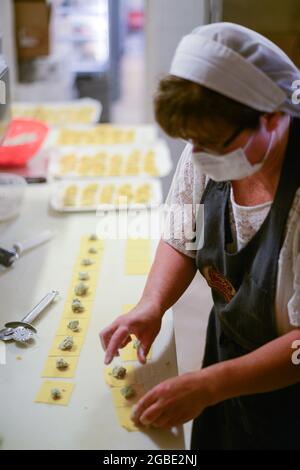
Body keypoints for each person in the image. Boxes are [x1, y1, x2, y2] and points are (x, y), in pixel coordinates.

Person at [100, 22, 300, 449]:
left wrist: (210, 385)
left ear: (270, 116)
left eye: (210, 142)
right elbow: (182, 234)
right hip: (226, 356)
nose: (196, 154)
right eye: (191, 141)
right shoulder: (208, 152)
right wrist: (151, 305)